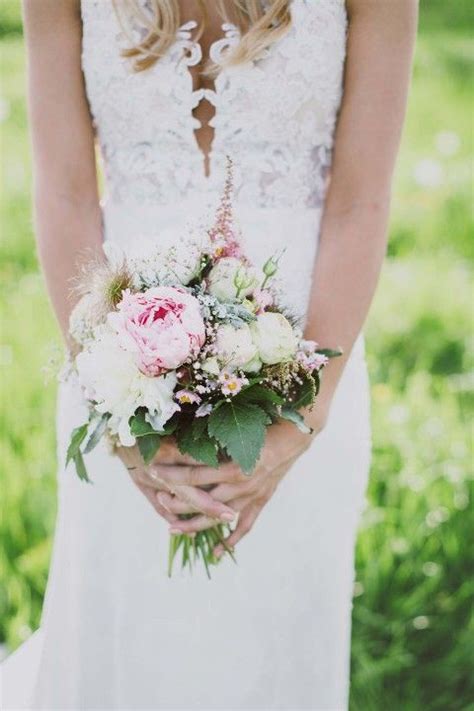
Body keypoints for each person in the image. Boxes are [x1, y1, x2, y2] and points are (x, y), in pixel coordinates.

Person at [1, 1, 417, 708]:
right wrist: (115, 410)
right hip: (118, 371)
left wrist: (299, 424)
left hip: (308, 364)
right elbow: (67, 191)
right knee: (120, 646)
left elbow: (360, 203)